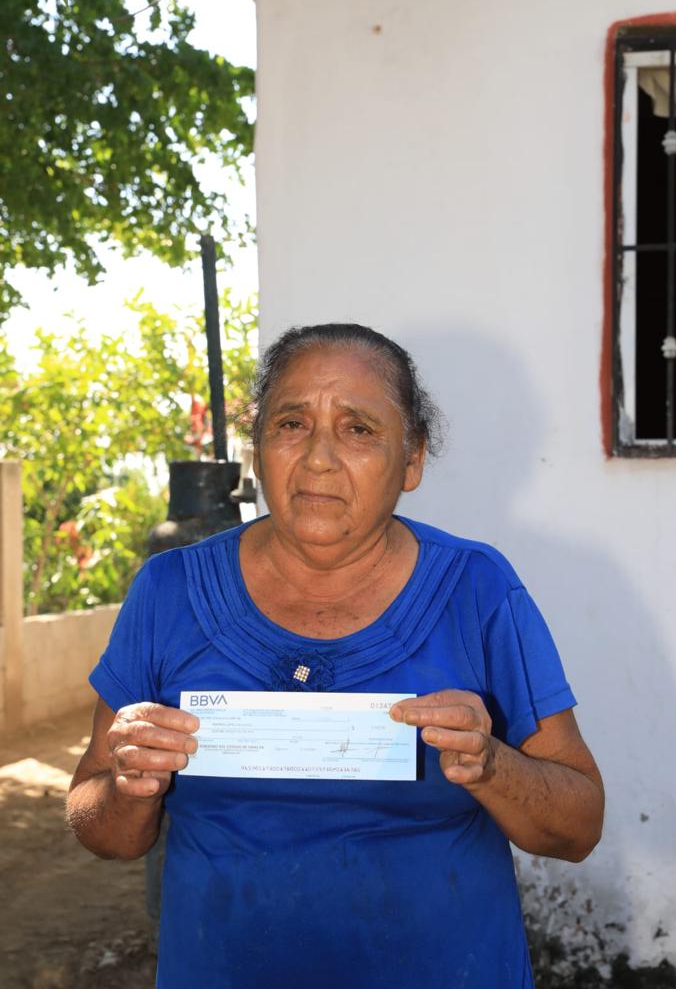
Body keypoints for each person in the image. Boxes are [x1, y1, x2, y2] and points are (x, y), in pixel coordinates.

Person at [67, 323, 604, 989]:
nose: (319, 458)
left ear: (412, 460)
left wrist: (491, 764)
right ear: (258, 447)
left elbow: (578, 827)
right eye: (291, 424)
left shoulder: (475, 590)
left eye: (358, 429)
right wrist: (128, 785)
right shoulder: (170, 592)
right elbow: (99, 826)